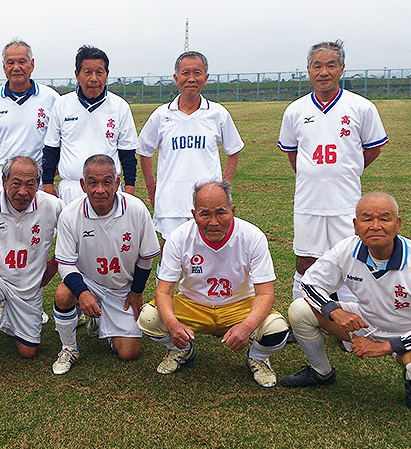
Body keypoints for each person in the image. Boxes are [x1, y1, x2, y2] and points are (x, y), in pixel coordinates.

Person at [137, 181, 289, 387]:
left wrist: (247, 326)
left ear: (233, 210)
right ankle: (182, 349)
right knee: (148, 318)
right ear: (194, 214)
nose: (214, 222)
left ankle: (258, 357)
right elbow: (164, 292)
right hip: (193, 304)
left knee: (277, 329)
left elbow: (265, 294)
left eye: (221, 213)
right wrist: (173, 326)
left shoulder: (252, 236)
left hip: (239, 305)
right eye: (204, 214)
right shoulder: (179, 237)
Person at [277, 40, 388, 303]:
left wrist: (348, 169)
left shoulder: (361, 107)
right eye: (317, 66)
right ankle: (302, 314)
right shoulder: (295, 110)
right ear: (308, 70)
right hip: (308, 201)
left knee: (351, 260)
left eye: (331, 65)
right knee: (305, 260)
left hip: (346, 202)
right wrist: (312, 173)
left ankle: (350, 324)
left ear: (342, 68)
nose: (324, 72)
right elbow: (292, 154)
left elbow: (373, 148)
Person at [282, 193, 411, 408]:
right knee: (300, 309)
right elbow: (309, 283)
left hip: (406, 333)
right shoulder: (347, 249)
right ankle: (320, 372)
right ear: (355, 225)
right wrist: (335, 311)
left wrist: (386, 347)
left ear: (398, 224)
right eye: (367, 219)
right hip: (366, 323)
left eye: (385, 219)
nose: (375, 226)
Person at [51, 155, 160, 374]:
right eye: (93, 183)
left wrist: (137, 292)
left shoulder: (136, 209)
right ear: (83, 185)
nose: (100, 189)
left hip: (121, 288)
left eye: (107, 182)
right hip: (88, 281)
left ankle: (102, 324)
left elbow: (146, 256)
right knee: (63, 294)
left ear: (117, 183)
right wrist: (82, 293)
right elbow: (65, 264)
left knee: (129, 354)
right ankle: (69, 347)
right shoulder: (70, 214)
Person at [0, 156, 64, 381]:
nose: (22, 191)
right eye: (16, 183)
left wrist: (55, 263)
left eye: (30, 184)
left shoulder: (52, 204)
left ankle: (11, 317)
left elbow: (72, 235)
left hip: (28, 285)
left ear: (38, 184)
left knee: (28, 352)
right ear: (3, 181)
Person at [138, 51, 243, 239]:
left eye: (197, 73)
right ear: (176, 78)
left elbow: (233, 150)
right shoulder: (161, 115)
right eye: (185, 73)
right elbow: (144, 152)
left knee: (208, 256)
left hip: (207, 205)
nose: (191, 79)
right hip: (171, 203)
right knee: (170, 258)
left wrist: (223, 187)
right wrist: (153, 190)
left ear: (206, 77)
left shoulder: (218, 114)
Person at [42, 46, 139, 205]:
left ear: (107, 75)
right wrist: (47, 185)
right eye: (88, 72)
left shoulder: (120, 106)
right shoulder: (62, 104)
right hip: (71, 190)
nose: (94, 78)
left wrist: (129, 190)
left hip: (107, 189)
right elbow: (51, 149)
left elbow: (127, 154)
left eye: (99, 72)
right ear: (77, 75)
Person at [0, 39, 59, 197]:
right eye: (10, 62)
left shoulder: (51, 98)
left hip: (35, 180)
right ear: (4, 67)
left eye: (22, 62)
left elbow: (58, 142)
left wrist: (49, 177)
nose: (16, 68)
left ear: (31, 64)